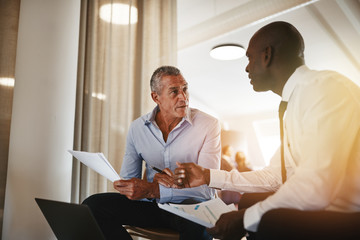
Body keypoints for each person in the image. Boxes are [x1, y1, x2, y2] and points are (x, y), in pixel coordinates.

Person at [173, 21, 360, 239]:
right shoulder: (295, 101)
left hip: (349, 216)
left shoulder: (323, 89)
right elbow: (276, 176)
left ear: (267, 55)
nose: (247, 67)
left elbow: (315, 187)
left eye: (250, 58)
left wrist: (244, 218)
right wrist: (207, 176)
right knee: (251, 201)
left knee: (268, 219)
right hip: (326, 208)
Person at [82, 66, 221, 240]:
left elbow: (207, 189)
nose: (183, 97)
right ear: (156, 97)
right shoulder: (137, 128)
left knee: (200, 222)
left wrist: (156, 189)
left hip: (189, 208)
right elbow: (129, 179)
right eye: (174, 91)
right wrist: (132, 187)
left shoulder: (209, 125)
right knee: (93, 205)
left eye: (185, 89)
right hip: (152, 206)